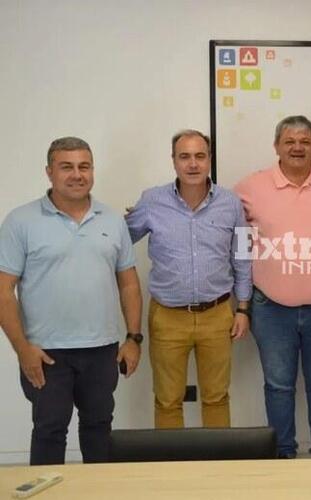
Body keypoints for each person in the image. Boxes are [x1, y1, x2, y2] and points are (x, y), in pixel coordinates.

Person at [0, 137, 142, 465]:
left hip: (101, 349)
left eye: (84, 166)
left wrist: (133, 338)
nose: (77, 174)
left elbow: (129, 284)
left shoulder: (111, 219)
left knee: (98, 429)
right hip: (46, 354)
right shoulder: (21, 221)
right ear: (49, 172)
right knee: (49, 430)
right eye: (67, 167)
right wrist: (23, 348)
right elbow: (4, 291)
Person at [235, 115, 311, 458]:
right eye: (290, 141)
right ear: (276, 146)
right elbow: (223, 226)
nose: (297, 147)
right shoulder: (250, 187)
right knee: (278, 386)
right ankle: (283, 455)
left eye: (305, 141)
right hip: (270, 310)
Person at [125, 129, 252, 428]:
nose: (192, 164)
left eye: (199, 156)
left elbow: (243, 256)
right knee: (168, 399)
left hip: (218, 314)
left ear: (209, 160)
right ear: (174, 161)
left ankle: (215, 471)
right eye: (185, 157)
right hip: (168, 317)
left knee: (217, 397)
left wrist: (243, 308)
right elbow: (119, 241)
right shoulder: (151, 201)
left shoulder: (231, 203)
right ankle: (173, 472)